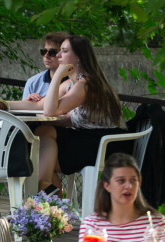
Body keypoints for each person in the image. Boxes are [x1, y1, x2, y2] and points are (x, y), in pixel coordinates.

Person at [9, 35, 126, 195]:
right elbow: (39, 105)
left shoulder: (86, 84)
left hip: (106, 144)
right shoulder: (72, 82)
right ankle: (49, 192)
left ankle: (47, 193)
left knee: (39, 155)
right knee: (43, 132)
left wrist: (57, 75)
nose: (57, 55)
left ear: (78, 57)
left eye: (63, 51)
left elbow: (50, 111)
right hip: (89, 138)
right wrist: (1, 104)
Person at [22, 32, 68, 102]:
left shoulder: (75, 81)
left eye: (52, 52)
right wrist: (27, 102)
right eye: (44, 51)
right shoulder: (33, 82)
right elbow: (22, 111)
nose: (46, 55)